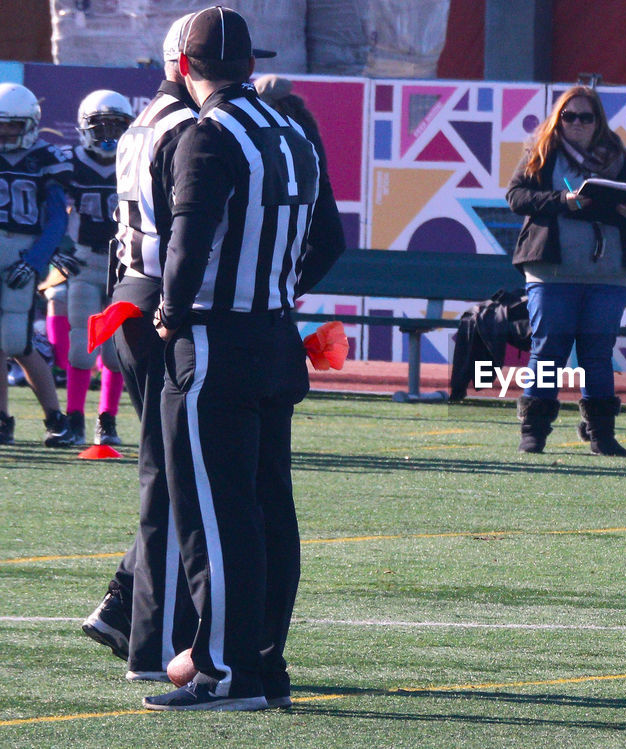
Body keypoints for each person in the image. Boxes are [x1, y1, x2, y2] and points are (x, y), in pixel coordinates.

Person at [143, 5, 342, 712]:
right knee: (267, 509)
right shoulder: (292, 129)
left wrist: (170, 314)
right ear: (251, 65)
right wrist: (276, 289)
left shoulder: (207, 134)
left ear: (186, 67)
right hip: (275, 337)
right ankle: (263, 663)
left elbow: (188, 239)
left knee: (216, 516)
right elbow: (329, 242)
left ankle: (225, 673)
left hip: (215, 341)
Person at [80, 14, 202, 683]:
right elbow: (185, 231)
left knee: (172, 470)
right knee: (173, 477)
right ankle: (144, 630)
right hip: (158, 304)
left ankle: (133, 610)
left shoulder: (142, 123)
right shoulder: (185, 128)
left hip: (130, 295)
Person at [506, 85, 626, 456]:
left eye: (585, 117)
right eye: (568, 116)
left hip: (607, 274)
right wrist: (563, 201)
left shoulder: (615, 155)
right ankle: (534, 432)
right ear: (558, 119)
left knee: (597, 353)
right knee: (548, 350)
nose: (576, 123)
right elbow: (516, 196)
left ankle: (601, 434)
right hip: (551, 272)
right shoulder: (541, 150)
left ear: (597, 122)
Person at [50, 90, 134, 445]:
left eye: (117, 126)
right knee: (80, 347)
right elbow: (48, 210)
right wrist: (59, 248)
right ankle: (74, 419)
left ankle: (107, 420)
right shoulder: (68, 163)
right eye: (101, 127)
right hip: (84, 259)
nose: (109, 135)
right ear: (84, 128)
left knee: (116, 353)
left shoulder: (136, 161)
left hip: (124, 263)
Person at [0, 82, 76, 447]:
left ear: (29, 123)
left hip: (22, 253)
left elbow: (57, 219)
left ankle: (55, 417)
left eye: (12, 125)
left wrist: (34, 262)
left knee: (16, 340)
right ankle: (3, 420)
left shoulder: (45, 157)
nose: (5, 132)